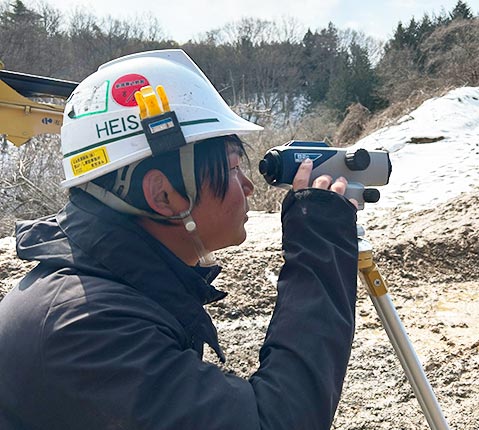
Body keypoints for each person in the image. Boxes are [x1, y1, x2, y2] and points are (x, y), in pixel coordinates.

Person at [0, 49, 358, 429]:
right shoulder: (86, 327)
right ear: (164, 195)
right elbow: (275, 422)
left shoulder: (110, 286)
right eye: (235, 167)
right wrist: (320, 241)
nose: (249, 187)